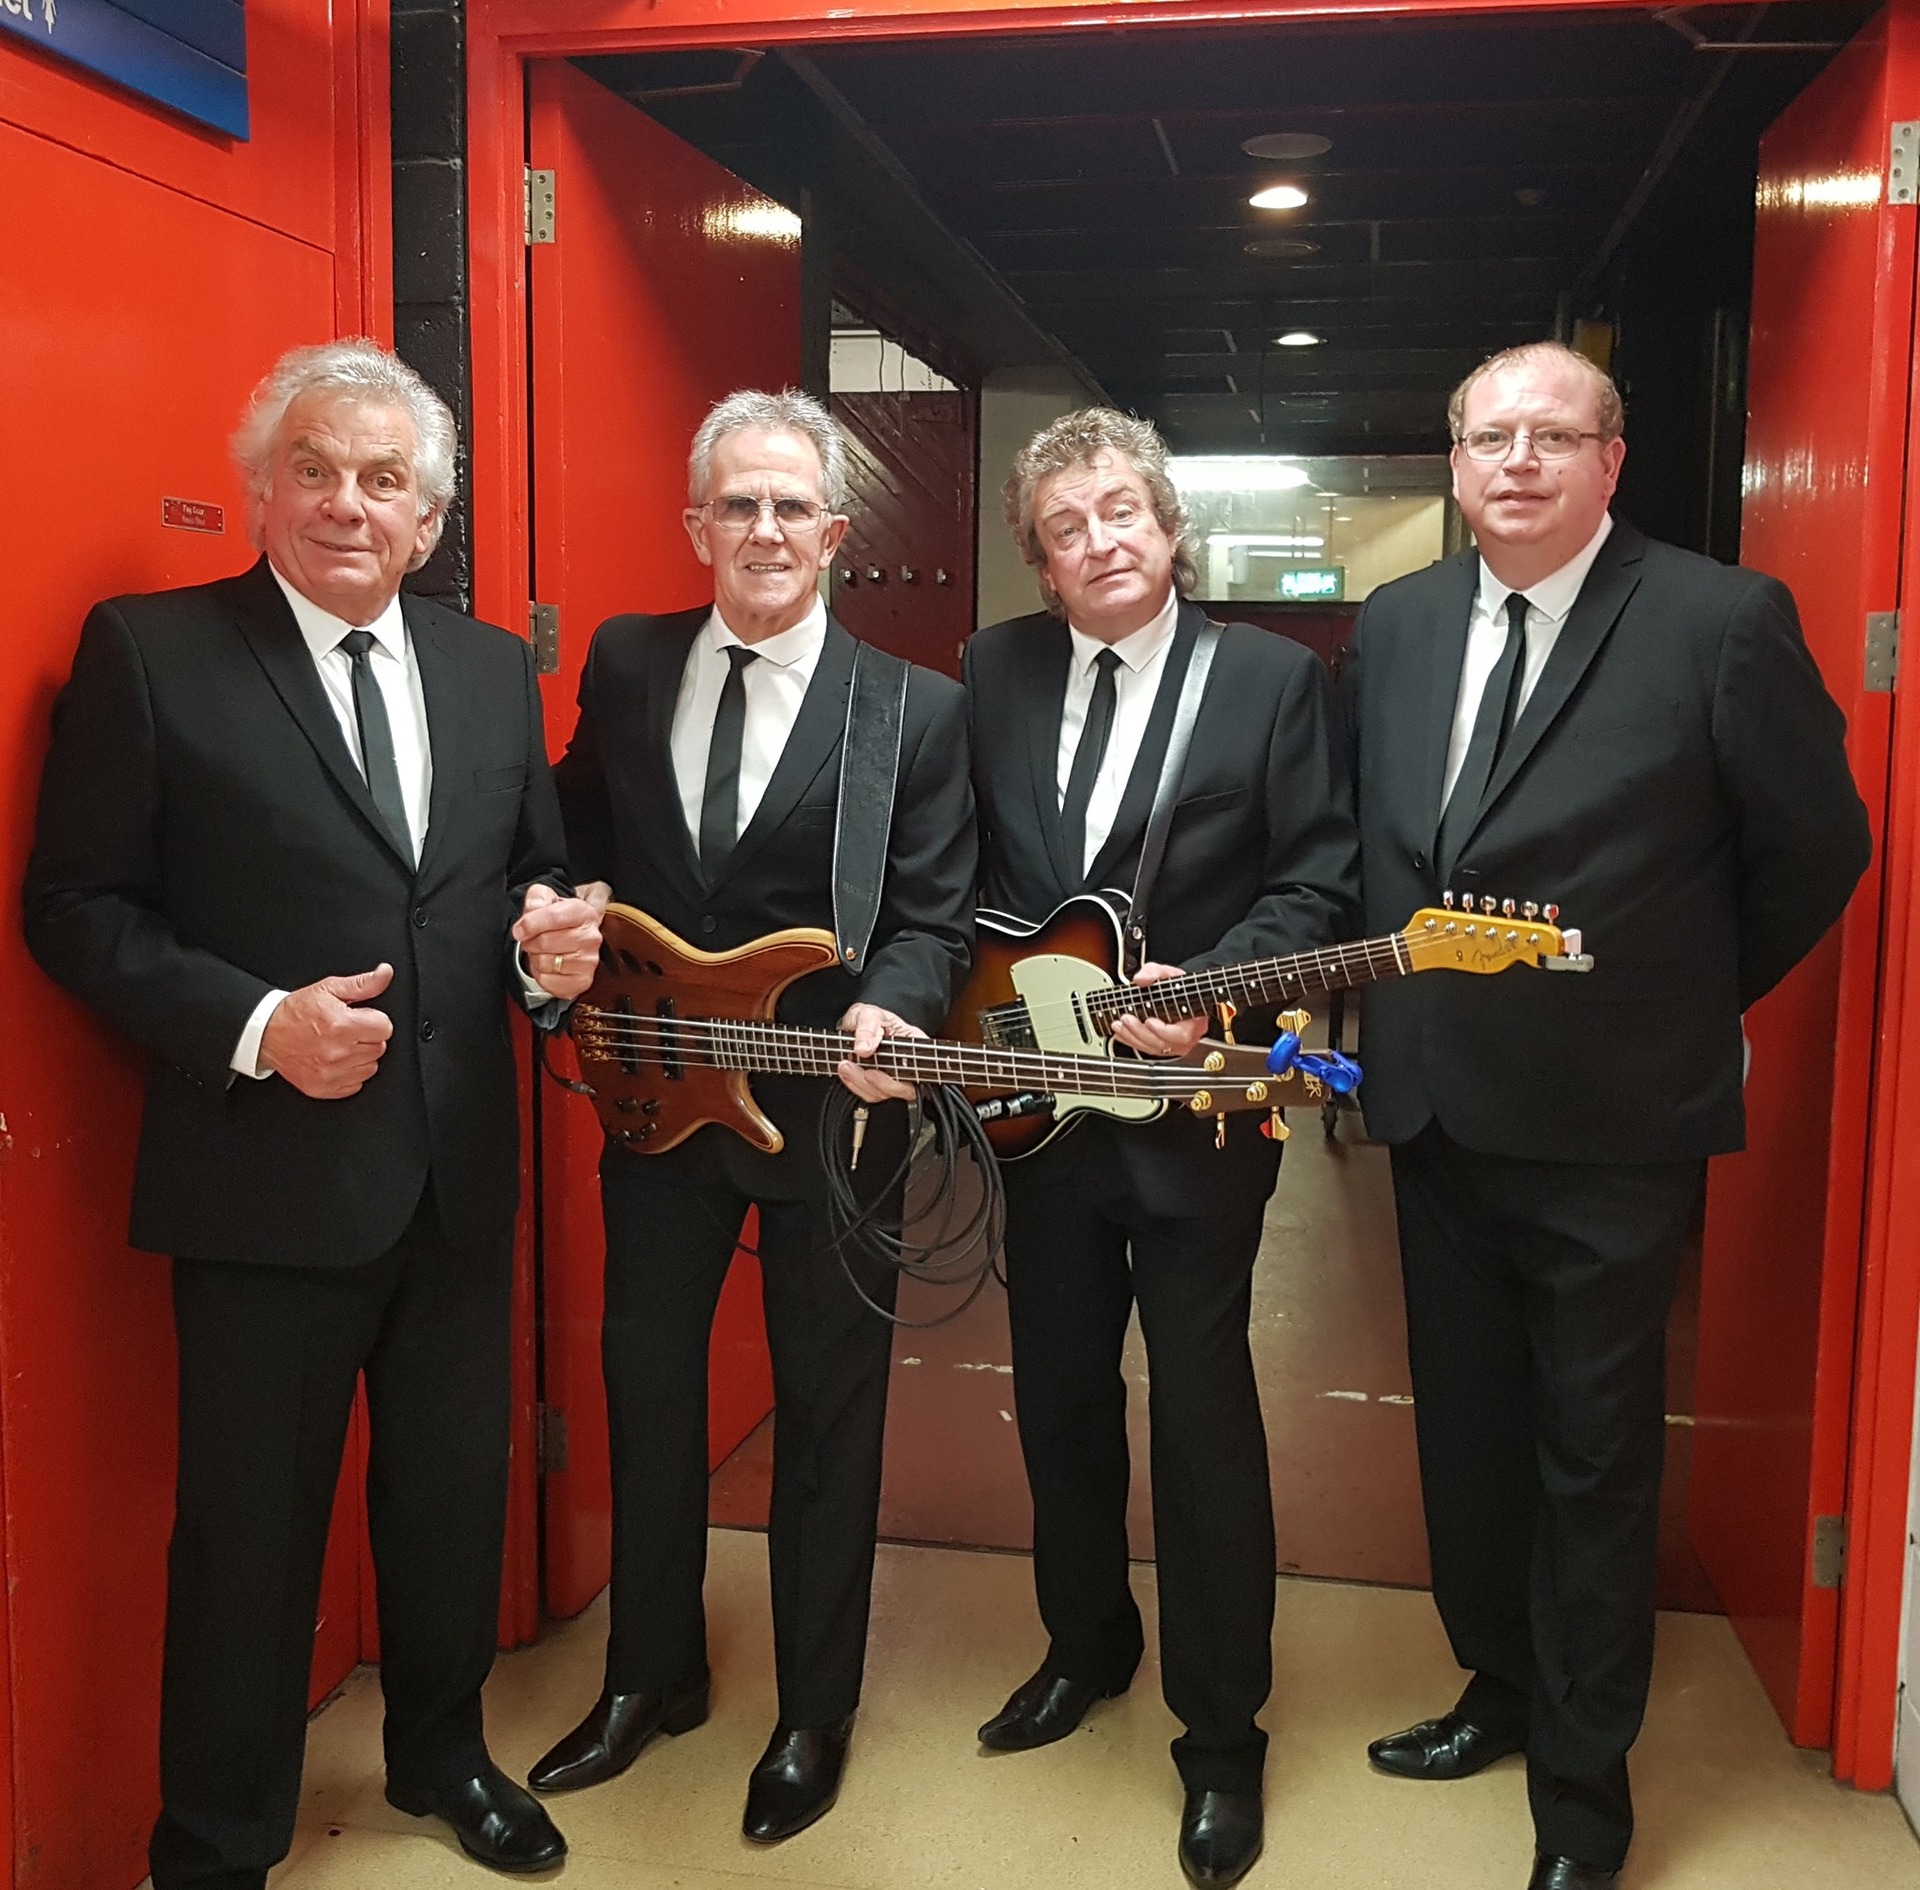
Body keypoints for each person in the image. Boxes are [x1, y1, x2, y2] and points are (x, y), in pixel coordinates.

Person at [21, 340, 604, 1887]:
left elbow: (526, 881)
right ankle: (216, 1842)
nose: (349, 501)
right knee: (250, 1538)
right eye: (317, 469)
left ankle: (442, 1756)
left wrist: (548, 955)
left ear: (429, 519)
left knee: (451, 1503)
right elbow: (74, 905)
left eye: (384, 479)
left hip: (455, 1176)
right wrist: (259, 1025)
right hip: (264, 1179)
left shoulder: (491, 667)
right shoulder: (154, 653)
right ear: (261, 491)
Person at [1341, 341, 1871, 1890]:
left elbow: (1816, 849)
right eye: (1489, 436)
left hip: (1614, 1126)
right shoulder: (1399, 621)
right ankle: (1501, 1687)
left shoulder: (1719, 619)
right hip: (1434, 1109)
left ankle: (1583, 1795)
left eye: (1552, 435)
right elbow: (1385, 851)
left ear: (1611, 459)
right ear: (1455, 464)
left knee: (1593, 1459)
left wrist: (1676, 994)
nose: (1518, 460)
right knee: (1472, 1443)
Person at [530, 389, 975, 1842]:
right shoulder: (628, 659)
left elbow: (932, 913)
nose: (766, 529)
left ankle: (812, 1709)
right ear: (697, 525)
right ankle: (648, 1676)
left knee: (831, 1415)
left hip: (835, 1108)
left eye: (792, 506)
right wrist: (560, 912)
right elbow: (578, 833)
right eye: (739, 504)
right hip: (658, 1096)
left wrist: (896, 1002)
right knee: (648, 1389)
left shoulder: (913, 707)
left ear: (835, 534)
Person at [964, 409, 1360, 1889]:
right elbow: (963, 873)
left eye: (1122, 511)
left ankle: (1222, 1732)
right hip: (1038, 1113)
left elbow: (1318, 879)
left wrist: (1218, 991)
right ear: (1041, 562)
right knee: (1058, 1400)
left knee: (1201, 1418)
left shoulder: (1270, 679)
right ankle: (1085, 1645)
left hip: (1198, 1117)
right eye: (1067, 528)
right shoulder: (990, 671)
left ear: (1170, 527)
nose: (1101, 542)